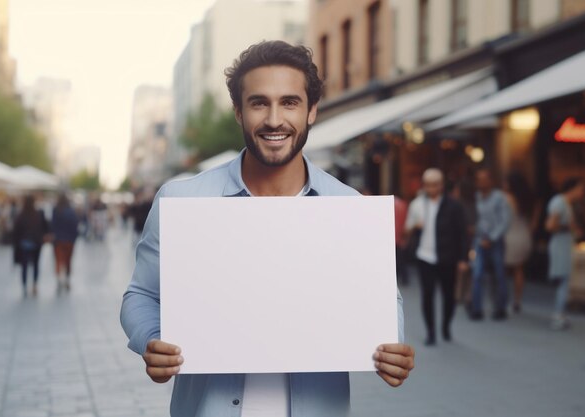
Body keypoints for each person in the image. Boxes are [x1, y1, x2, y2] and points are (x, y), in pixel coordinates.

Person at [120, 40, 414, 417]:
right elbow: (141, 294)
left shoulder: (348, 208)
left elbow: (386, 299)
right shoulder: (181, 201)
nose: (275, 119)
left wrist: (393, 347)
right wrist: (151, 340)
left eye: (290, 102)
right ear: (239, 113)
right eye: (259, 102)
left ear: (312, 112)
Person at [405, 169, 468, 345]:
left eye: (434, 184)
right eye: (427, 185)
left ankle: (446, 325)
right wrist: (415, 227)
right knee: (428, 295)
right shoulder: (417, 204)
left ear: (441, 185)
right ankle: (431, 332)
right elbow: (406, 229)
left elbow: (462, 233)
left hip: (447, 257)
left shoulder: (454, 205)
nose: (430, 188)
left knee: (449, 295)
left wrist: (463, 258)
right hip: (425, 256)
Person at [470, 169, 511, 321]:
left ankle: (500, 307)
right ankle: (476, 308)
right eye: (478, 179)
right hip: (480, 240)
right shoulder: (478, 196)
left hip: (495, 241)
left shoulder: (499, 198)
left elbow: (505, 220)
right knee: (477, 273)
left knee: (499, 275)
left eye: (483, 179)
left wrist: (492, 237)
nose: (480, 182)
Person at [545, 178, 585, 330]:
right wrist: (569, 228)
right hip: (560, 246)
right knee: (564, 280)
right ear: (573, 188)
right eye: (580, 189)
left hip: (565, 245)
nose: (582, 193)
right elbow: (550, 225)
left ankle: (560, 312)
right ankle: (558, 314)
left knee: (565, 280)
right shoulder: (559, 202)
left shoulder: (566, 204)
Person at [503, 172, 535, 313]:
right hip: (524, 235)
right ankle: (517, 301)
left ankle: (502, 299)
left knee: (503, 270)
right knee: (519, 270)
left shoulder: (505, 198)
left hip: (509, 235)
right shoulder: (529, 199)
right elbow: (533, 224)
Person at [13, 195, 49, 297]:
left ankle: (24, 286)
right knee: (36, 265)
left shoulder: (20, 215)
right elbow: (45, 227)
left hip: (24, 244)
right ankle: (34, 285)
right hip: (36, 243)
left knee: (24, 266)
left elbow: (16, 231)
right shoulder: (38, 214)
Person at [451, 178, 476, 307]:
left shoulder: (459, 206)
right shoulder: (472, 205)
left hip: (465, 241)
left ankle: (460, 294)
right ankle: (465, 295)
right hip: (469, 241)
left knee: (462, 269)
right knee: (468, 269)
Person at [51, 193, 79, 291]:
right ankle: (67, 280)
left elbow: (53, 225)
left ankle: (59, 280)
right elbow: (75, 225)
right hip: (69, 241)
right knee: (68, 261)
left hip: (58, 240)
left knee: (59, 261)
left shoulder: (56, 210)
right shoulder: (71, 211)